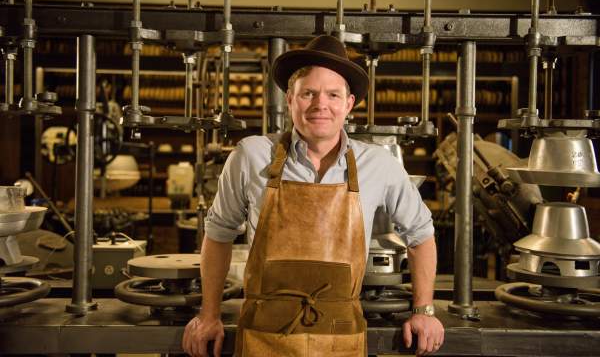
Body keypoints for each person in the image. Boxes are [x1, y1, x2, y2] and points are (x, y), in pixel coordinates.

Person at [182, 35, 444, 357]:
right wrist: (209, 315)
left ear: (348, 105)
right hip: (264, 335)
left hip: (341, 338)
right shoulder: (251, 155)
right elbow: (218, 234)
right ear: (290, 99)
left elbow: (421, 236)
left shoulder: (378, 164)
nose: (321, 104)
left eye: (333, 94)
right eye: (309, 93)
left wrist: (424, 311)